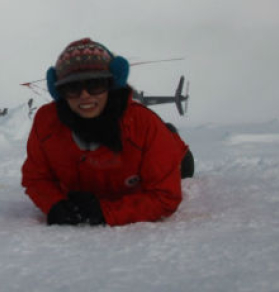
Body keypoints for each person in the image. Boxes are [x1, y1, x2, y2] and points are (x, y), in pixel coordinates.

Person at [21, 38, 191, 227]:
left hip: (171, 154)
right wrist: (53, 204)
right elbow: (36, 177)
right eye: (72, 87)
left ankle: (170, 133)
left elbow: (165, 197)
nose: (85, 95)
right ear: (60, 92)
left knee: (178, 160)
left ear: (111, 85)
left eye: (95, 84)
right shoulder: (46, 122)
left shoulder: (144, 124)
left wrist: (105, 211)